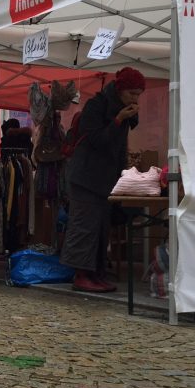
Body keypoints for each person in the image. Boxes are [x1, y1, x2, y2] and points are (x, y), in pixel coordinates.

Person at [61, 67, 145, 293]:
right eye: (132, 93)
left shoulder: (123, 108)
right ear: (120, 89)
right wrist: (118, 119)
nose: (135, 98)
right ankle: (81, 275)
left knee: (101, 227)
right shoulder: (96, 106)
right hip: (85, 176)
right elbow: (96, 140)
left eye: (138, 94)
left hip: (105, 178)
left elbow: (118, 145)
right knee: (85, 225)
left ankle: (96, 273)